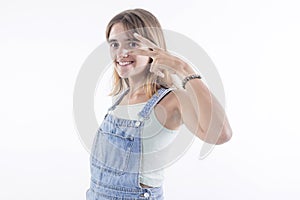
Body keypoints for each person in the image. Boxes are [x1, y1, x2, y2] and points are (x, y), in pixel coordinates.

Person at [86, 8, 232, 200]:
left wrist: (182, 68)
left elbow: (221, 134)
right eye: (114, 44)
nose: (121, 53)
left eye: (132, 43)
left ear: (153, 48)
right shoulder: (121, 98)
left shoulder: (173, 99)